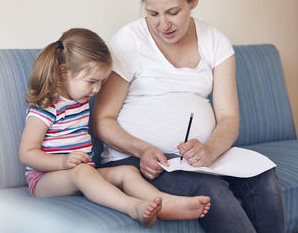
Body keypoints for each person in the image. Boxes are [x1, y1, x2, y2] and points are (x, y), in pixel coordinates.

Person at [91, 0, 285, 232]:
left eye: (173, 12)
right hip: (138, 161)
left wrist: (210, 149)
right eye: (152, 13)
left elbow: (229, 117)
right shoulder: (129, 40)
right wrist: (141, 149)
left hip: (197, 161)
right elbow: (102, 119)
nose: (162, 24)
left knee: (262, 176)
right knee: (209, 189)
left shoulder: (216, 42)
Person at [19, 28, 211, 228]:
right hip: (44, 181)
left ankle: (166, 203)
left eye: (101, 82)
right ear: (64, 72)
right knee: (82, 173)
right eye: (92, 82)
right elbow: (26, 153)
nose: (97, 89)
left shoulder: (79, 101)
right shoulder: (46, 107)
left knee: (127, 172)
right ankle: (133, 207)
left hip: (82, 174)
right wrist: (63, 162)